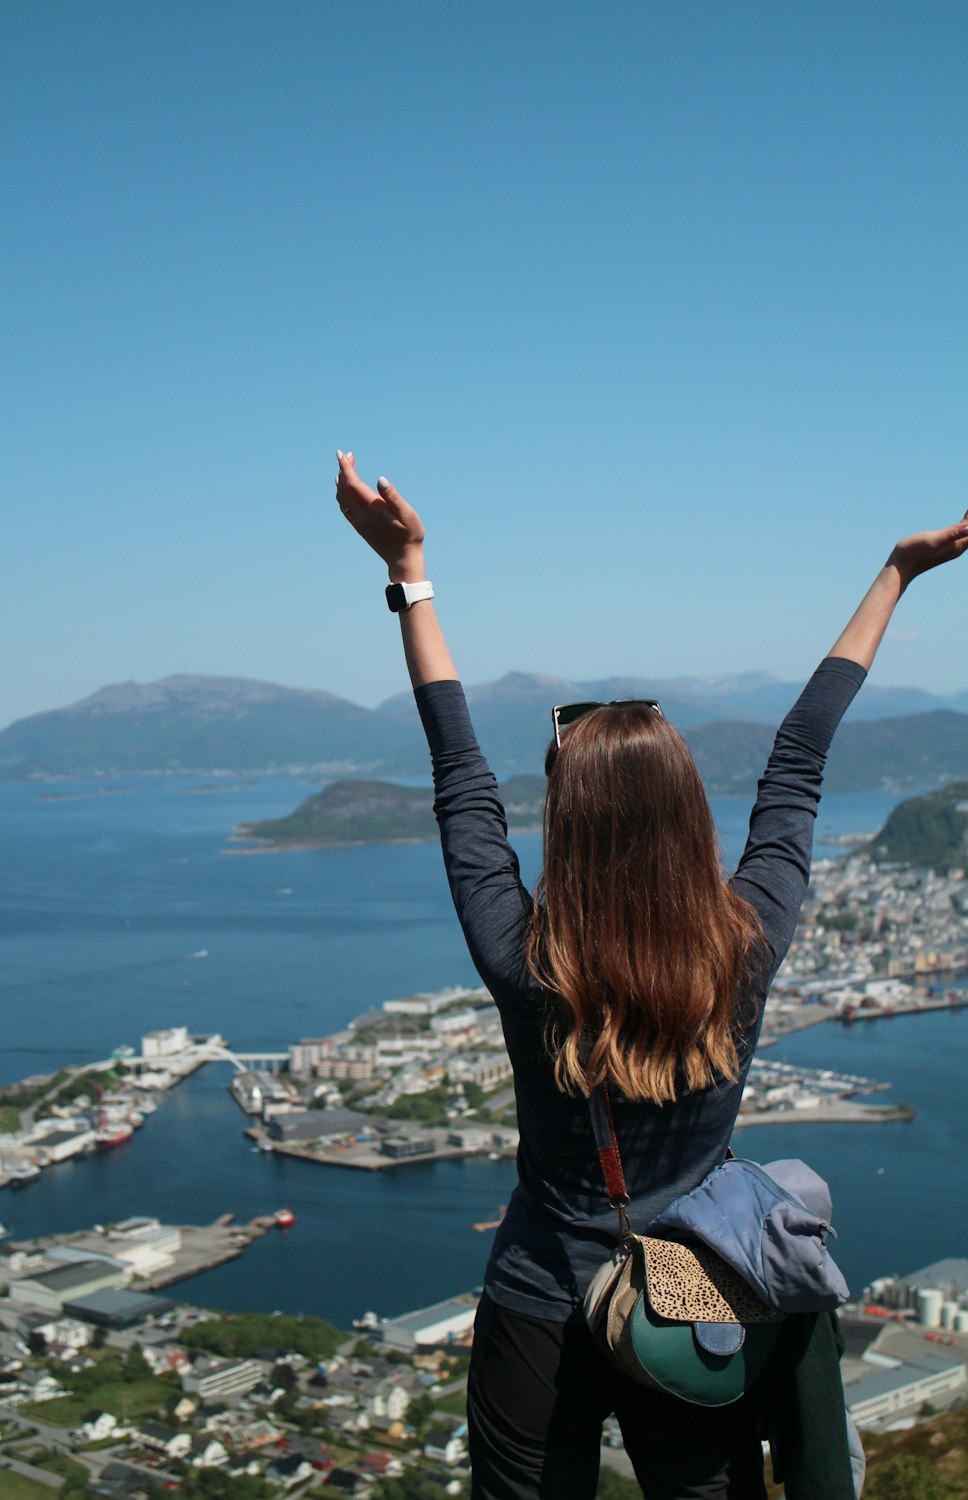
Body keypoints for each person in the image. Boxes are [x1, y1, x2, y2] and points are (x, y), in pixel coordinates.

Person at [334, 449, 968, 1500]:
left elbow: (458, 778)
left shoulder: (525, 960)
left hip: (539, 1294)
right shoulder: (745, 946)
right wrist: (895, 574)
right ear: (687, 815)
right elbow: (798, 763)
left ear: (563, 826)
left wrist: (411, 571)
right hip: (692, 1297)